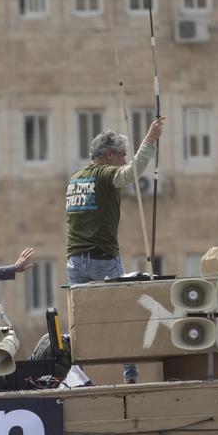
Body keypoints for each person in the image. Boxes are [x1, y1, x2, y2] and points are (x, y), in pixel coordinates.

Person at [64, 116, 165, 384]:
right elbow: (129, 174)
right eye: (121, 155)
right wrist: (150, 141)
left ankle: (77, 376)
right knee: (121, 312)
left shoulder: (75, 178)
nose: (123, 159)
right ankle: (130, 373)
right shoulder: (105, 174)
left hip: (74, 260)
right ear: (108, 155)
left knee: (80, 323)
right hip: (102, 259)